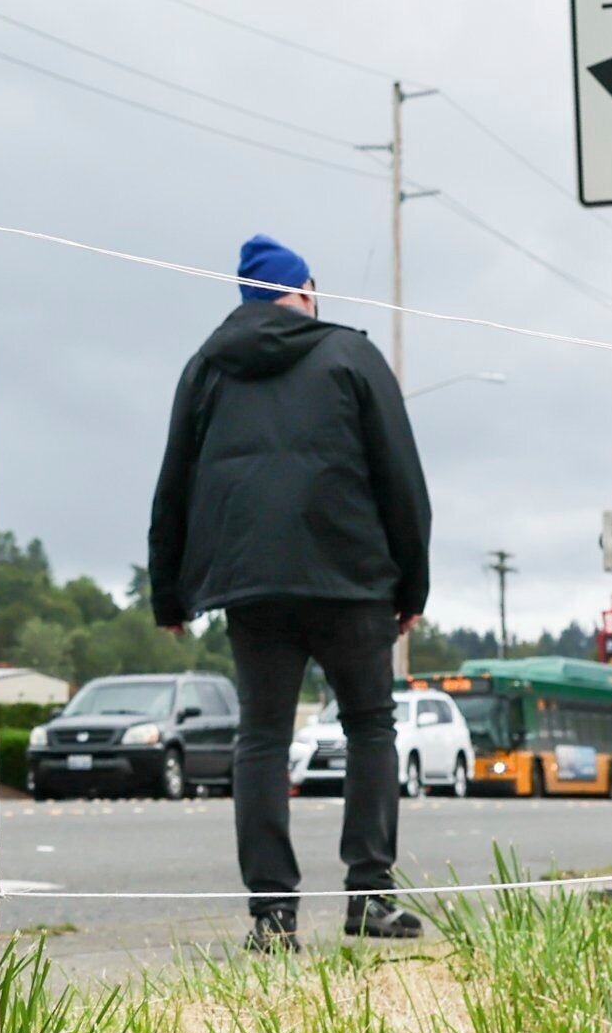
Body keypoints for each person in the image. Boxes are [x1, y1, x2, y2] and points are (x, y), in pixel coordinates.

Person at [145, 236, 435, 949]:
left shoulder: (207, 367)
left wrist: (171, 594)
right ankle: (369, 897)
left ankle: (272, 916)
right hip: (353, 582)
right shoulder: (350, 354)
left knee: (263, 739)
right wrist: (412, 584)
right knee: (369, 727)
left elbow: (173, 484)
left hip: (253, 587)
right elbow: (402, 478)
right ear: (303, 290)